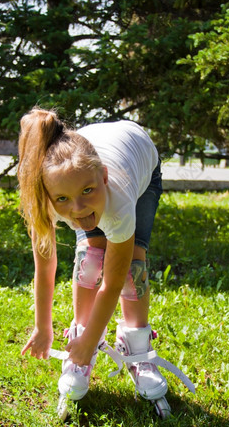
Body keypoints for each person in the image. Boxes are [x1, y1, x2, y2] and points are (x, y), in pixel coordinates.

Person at [18, 107, 168, 405]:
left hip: (138, 158)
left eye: (87, 191)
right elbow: (45, 270)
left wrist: (91, 343)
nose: (78, 209)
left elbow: (112, 284)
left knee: (132, 268)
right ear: (49, 195)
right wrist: (42, 327)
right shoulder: (44, 198)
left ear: (103, 177)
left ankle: (136, 344)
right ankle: (81, 340)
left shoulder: (118, 197)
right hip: (85, 165)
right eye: (63, 199)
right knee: (91, 259)